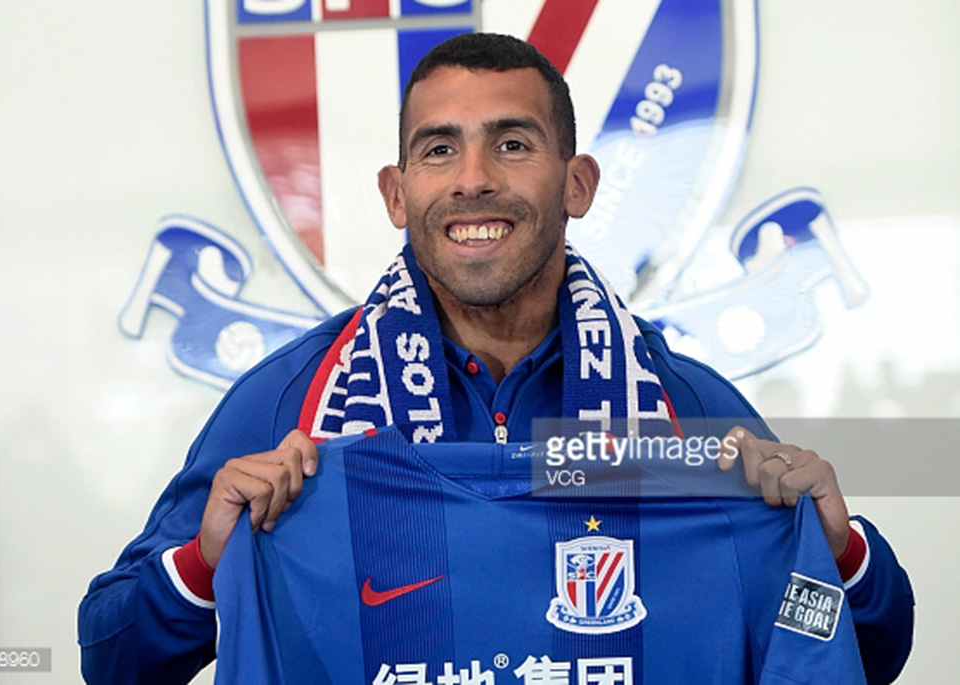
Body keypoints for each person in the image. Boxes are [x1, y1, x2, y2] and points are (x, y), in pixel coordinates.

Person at [79, 33, 913, 684]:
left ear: (577, 183)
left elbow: (859, 650)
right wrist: (203, 563)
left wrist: (838, 549)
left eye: (512, 144)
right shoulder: (288, 400)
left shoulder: (679, 404)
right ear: (396, 192)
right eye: (439, 149)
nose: (472, 179)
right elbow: (111, 656)